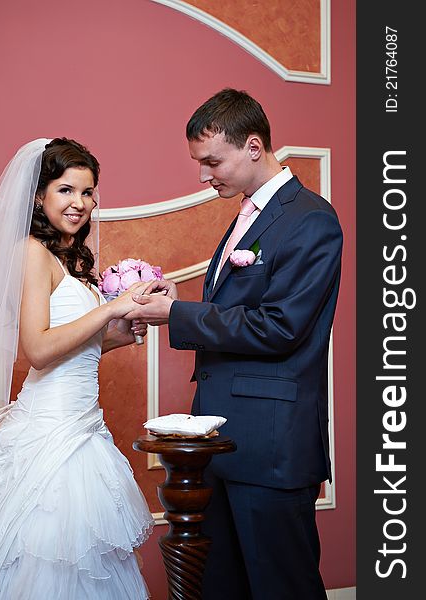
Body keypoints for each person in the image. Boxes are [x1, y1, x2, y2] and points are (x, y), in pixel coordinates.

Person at [127, 88, 343, 599]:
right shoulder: (250, 214)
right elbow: (241, 307)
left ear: (252, 146)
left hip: (271, 444)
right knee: (225, 585)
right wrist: (180, 300)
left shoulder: (311, 218)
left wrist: (178, 315)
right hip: (222, 442)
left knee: (281, 586)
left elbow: (279, 327)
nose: (204, 175)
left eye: (212, 161)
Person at [0, 138, 154, 599]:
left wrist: (122, 332)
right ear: (39, 195)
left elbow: (76, 344)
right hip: (49, 429)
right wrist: (108, 311)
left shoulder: (72, 257)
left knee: (86, 560)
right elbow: (39, 349)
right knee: (43, 553)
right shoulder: (32, 251)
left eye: (88, 193)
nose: (79, 204)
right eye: (66, 190)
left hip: (84, 424)